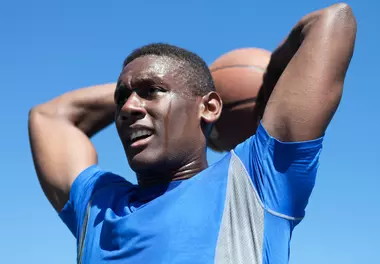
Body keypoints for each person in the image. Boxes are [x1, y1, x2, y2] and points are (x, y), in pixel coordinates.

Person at [28, 3, 356, 264]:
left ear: (210, 108)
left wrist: (267, 76)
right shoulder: (98, 204)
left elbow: (333, 21)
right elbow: (48, 116)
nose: (128, 108)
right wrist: (153, 89)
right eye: (120, 99)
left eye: (152, 91)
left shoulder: (254, 181)